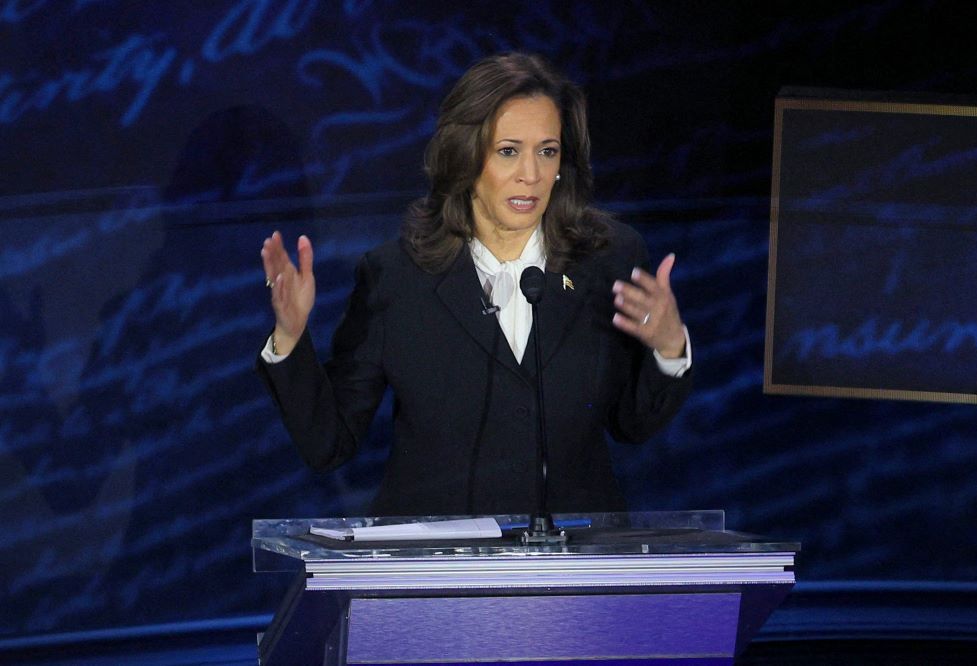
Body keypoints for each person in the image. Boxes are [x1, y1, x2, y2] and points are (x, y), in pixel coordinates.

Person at [257, 52, 692, 517]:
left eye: (548, 151)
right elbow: (330, 445)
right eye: (508, 151)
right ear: (466, 156)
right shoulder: (395, 278)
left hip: (572, 568)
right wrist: (290, 336)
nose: (532, 174)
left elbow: (632, 425)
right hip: (439, 571)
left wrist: (668, 350)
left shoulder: (609, 258)